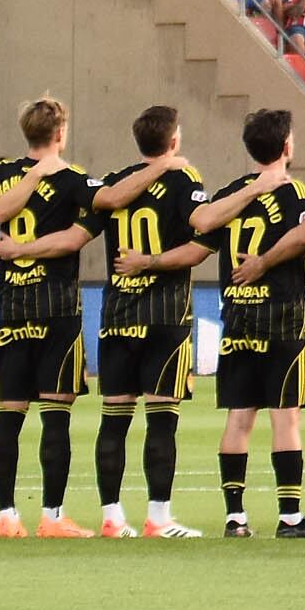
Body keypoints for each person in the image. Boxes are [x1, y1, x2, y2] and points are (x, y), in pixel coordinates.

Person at [191, 108, 305, 538]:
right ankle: (289, 518)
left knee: (239, 417)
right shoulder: (293, 191)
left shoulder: (232, 192)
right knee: (286, 417)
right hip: (281, 316)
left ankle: (235, 517)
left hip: (237, 316)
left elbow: (203, 225)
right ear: (286, 146)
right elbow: (302, 243)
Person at [86, 105, 214, 539]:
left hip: (118, 314)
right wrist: (154, 261)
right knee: (162, 419)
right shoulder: (184, 178)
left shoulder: (116, 181)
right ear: (173, 140)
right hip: (165, 316)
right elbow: (198, 246)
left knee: (114, 419)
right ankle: (159, 518)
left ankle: (111, 517)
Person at [0, 99, 95, 536]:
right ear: (60, 133)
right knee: (56, 416)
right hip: (58, 310)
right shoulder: (75, 179)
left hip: (12, 311)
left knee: (9, 415)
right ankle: (53, 516)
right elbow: (75, 239)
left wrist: (12, 250)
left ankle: (6, 515)